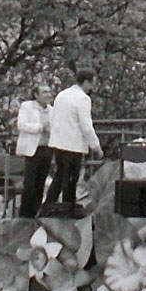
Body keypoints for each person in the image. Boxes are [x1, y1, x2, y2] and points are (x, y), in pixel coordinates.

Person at [43, 67, 103, 213]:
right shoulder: (83, 99)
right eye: (92, 83)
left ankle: (48, 206)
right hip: (73, 144)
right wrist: (96, 146)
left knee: (60, 175)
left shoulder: (62, 95)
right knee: (71, 179)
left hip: (58, 142)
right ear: (87, 82)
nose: (92, 87)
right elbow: (86, 125)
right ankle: (68, 208)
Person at [16, 83, 53, 218]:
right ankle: (24, 214)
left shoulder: (51, 110)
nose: (48, 95)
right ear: (36, 95)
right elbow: (21, 124)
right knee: (29, 183)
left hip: (47, 148)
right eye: (44, 92)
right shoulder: (27, 106)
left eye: (49, 92)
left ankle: (35, 213)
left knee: (40, 183)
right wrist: (40, 128)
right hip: (33, 149)